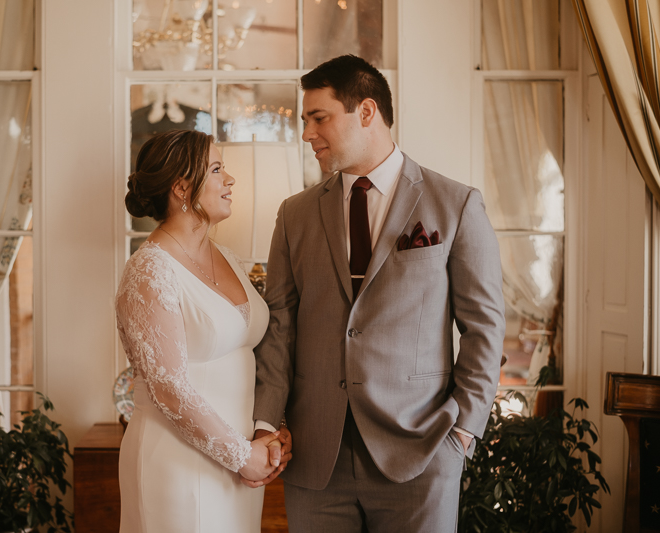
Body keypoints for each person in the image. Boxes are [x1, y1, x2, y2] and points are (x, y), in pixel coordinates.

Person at [248, 55, 506, 532]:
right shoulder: (295, 214)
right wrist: (266, 423)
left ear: (366, 111)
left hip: (422, 451)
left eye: (318, 117)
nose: (307, 133)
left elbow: (484, 327)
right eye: (305, 120)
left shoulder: (456, 204)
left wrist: (464, 431)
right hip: (315, 456)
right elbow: (280, 324)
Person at [116, 129, 291, 533]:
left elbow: (258, 351)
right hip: (179, 463)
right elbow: (168, 387)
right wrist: (241, 456)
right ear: (182, 187)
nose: (229, 180)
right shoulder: (149, 269)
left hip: (241, 465)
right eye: (216, 169)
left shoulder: (225, 256)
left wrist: (265, 435)